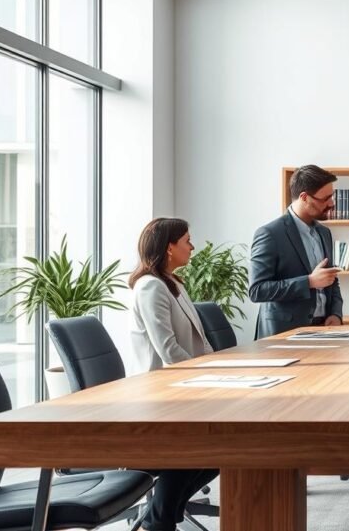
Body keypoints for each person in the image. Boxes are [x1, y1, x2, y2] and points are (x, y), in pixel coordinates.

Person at [128, 218, 218, 531]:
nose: (192, 247)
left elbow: (198, 344)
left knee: (224, 445)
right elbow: (169, 352)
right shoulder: (150, 287)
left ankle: (163, 513)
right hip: (161, 398)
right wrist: (207, 377)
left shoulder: (173, 283)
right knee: (203, 445)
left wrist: (218, 370)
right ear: (170, 247)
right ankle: (159, 518)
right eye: (187, 241)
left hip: (183, 391)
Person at [249, 165, 343, 339]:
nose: (332, 203)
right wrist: (308, 282)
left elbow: (331, 279)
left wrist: (336, 314)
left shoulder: (324, 233)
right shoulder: (270, 234)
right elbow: (257, 290)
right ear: (304, 197)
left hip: (324, 332)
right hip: (282, 335)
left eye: (332, 196)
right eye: (326, 198)